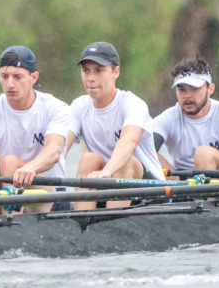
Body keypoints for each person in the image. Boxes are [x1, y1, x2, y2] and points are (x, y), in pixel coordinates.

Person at [0, 46, 73, 214]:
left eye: (17, 77)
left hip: (49, 194)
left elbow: (54, 151)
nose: (10, 84)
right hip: (6, 189)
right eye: (4, 76)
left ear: (33, 78)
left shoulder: (55, 108)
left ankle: (12, 222)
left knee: (10, 163)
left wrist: (30, 168)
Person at [66, 41, 165, 210]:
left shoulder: (133, 104)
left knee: (124, 163)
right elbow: (60, 147)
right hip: (107, 186)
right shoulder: (79, 106)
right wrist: (33, 170)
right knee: (89, 159)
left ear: (116, 72)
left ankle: (113, 220)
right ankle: (83, 220)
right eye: (86, 71)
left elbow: (129, 141)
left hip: (149, 190)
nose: (91, 78)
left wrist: (108, 170)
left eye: (99, 70)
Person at [152, 58, 219, 180]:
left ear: (210, 89)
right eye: (182, 89)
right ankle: (185, 191)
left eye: (194, 88)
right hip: (182, 181)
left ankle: (205, 192)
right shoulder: (168, 118)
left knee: (203, 153)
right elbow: (147, 147)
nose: (187, 96)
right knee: (141, 151)